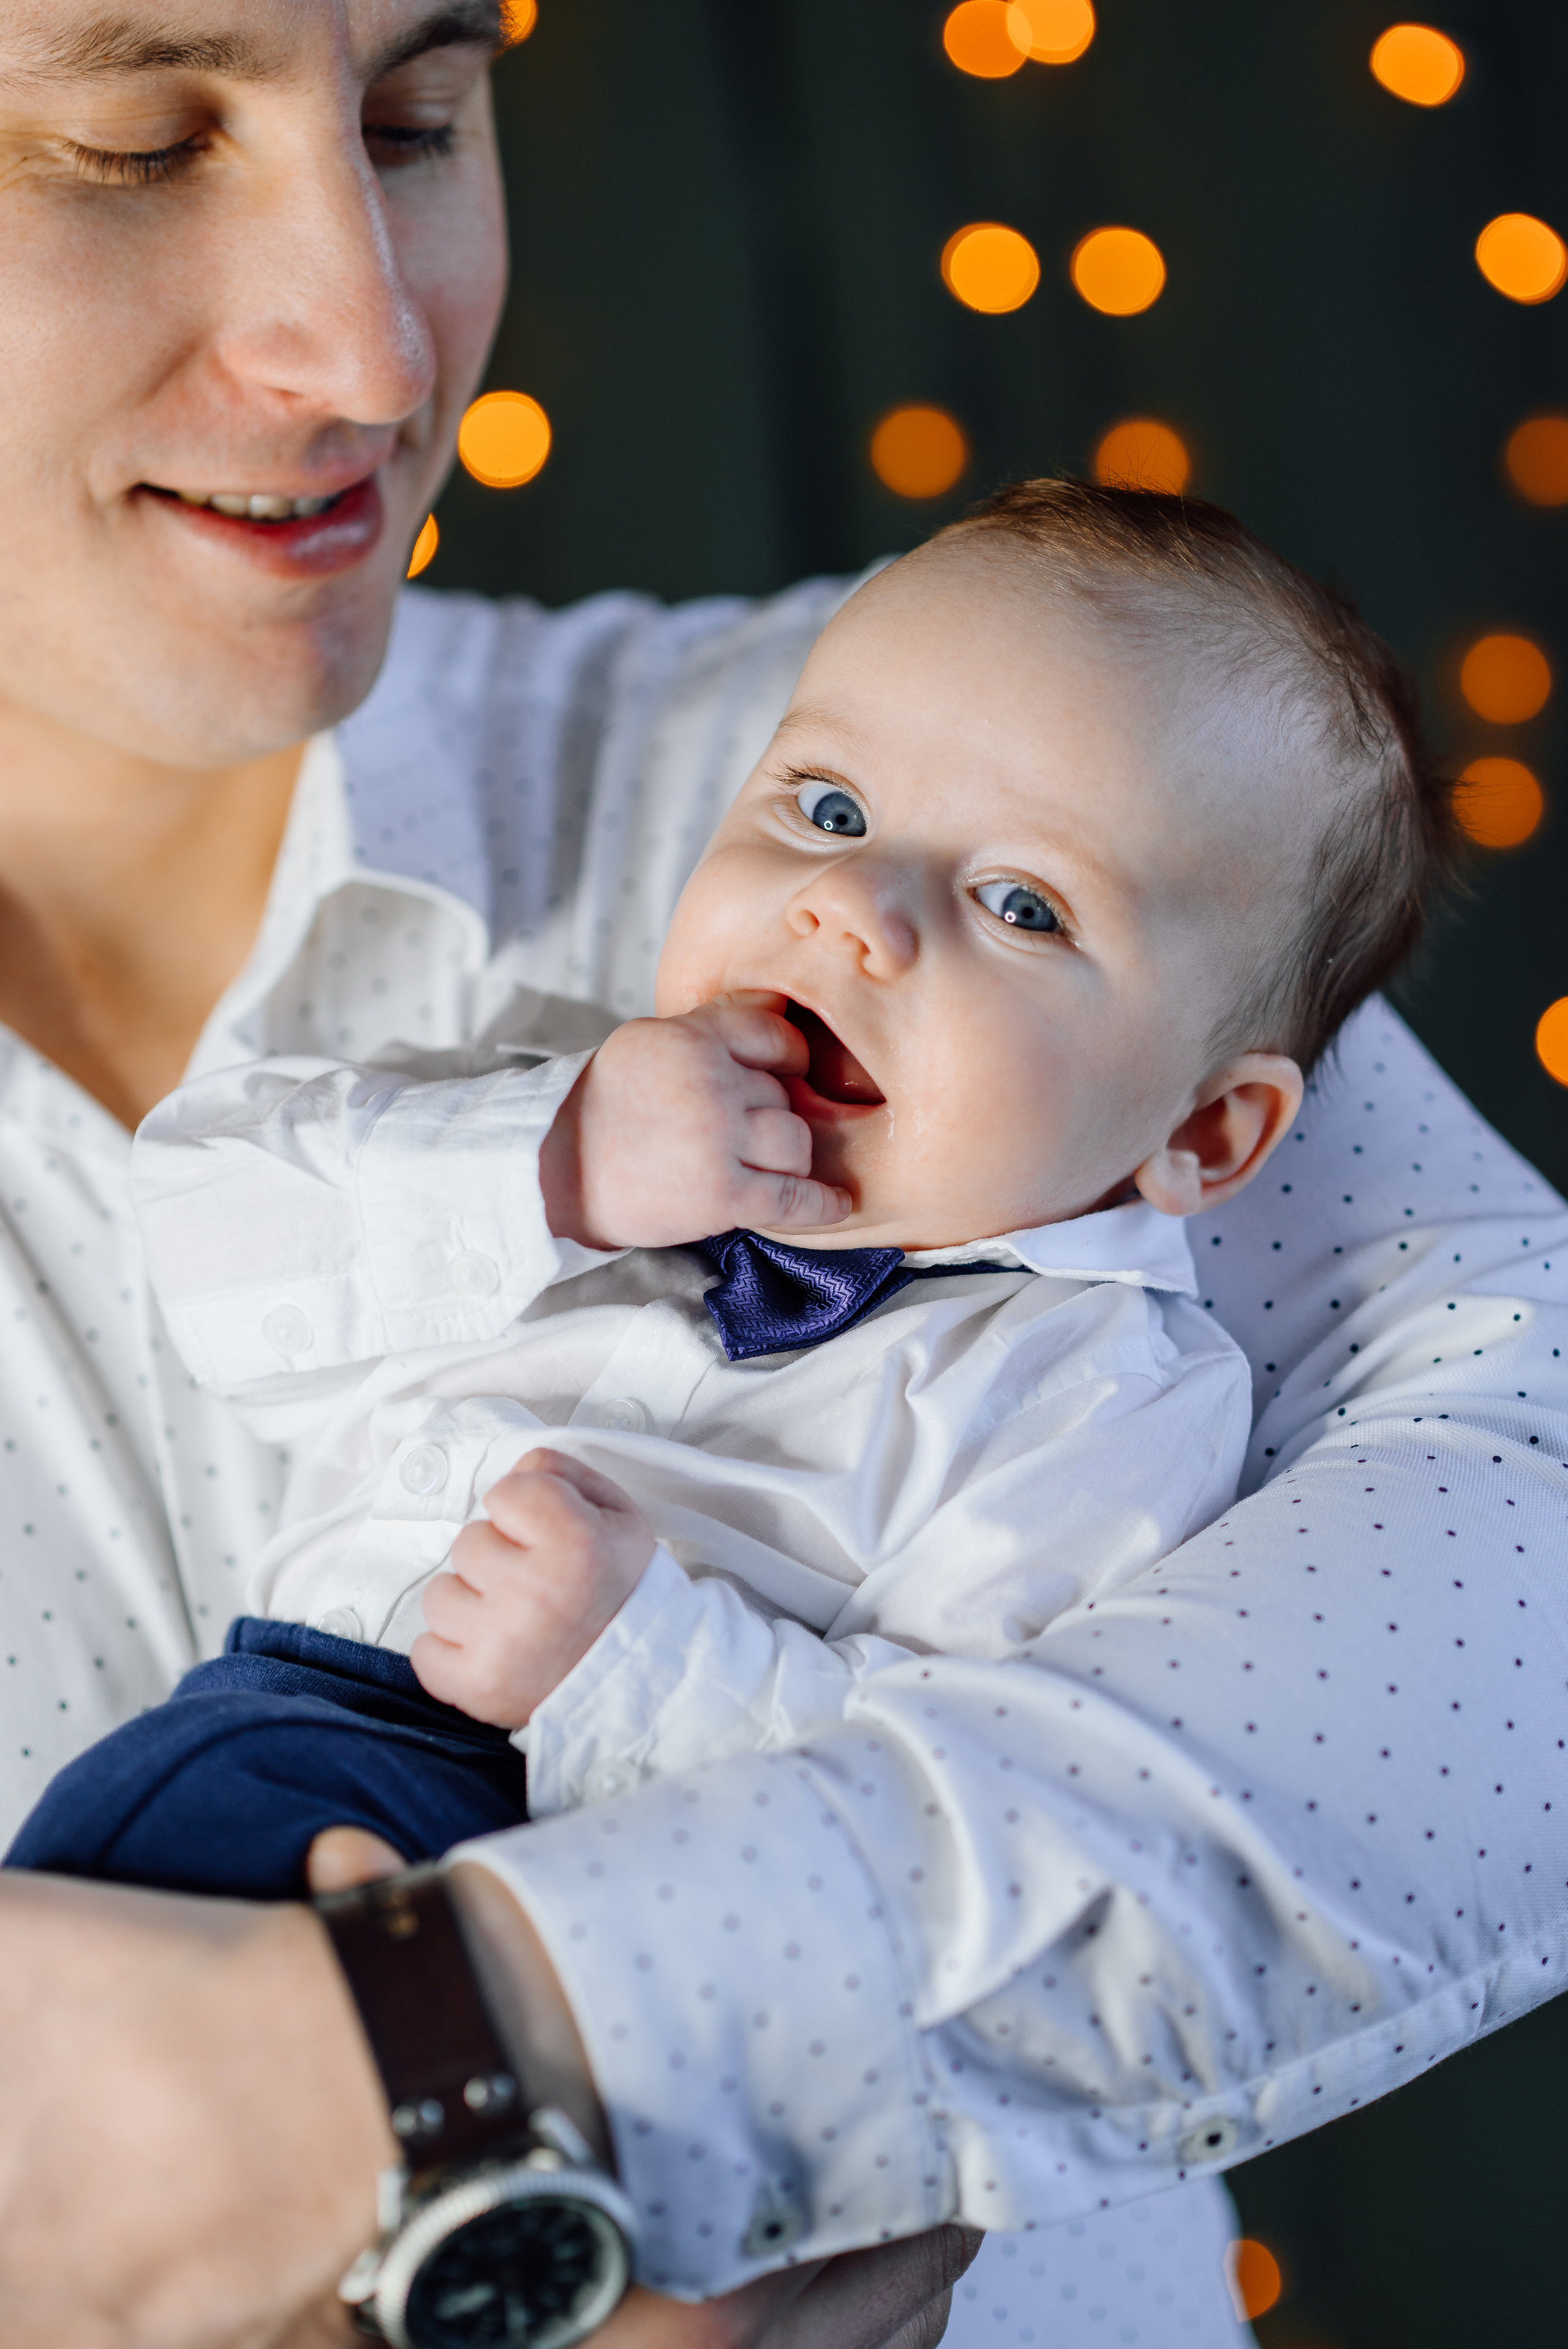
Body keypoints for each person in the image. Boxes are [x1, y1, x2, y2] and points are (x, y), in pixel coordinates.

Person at [0, 1, 1564, 2343]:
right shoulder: (775, 865)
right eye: (131, 143)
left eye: (422, 121)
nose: (364, 347)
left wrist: (547, 2035)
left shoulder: (975, 724)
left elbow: (1516, 1568)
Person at [12, 481, 1454, 1909]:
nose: (849, 909)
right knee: (160, 1831)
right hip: (315, 1712)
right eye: (827, 808)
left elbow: (956, 1798)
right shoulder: (557, 1090)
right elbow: (203, 1242)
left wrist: (627, 1656)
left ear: (1202, 1130)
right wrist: (557, 1160)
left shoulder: (1090, 1392)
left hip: (665, 1876)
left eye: (1019, 905)